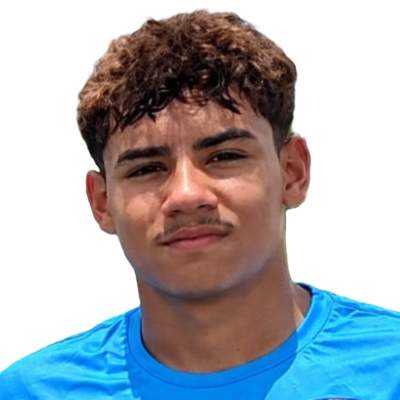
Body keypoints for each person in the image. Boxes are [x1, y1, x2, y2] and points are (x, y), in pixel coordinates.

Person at [1, 9, 399, 399]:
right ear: (102, 202)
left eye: (224, 157)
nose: (187, 195)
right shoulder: (31, 392)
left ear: (293, 172)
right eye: (146, 168)